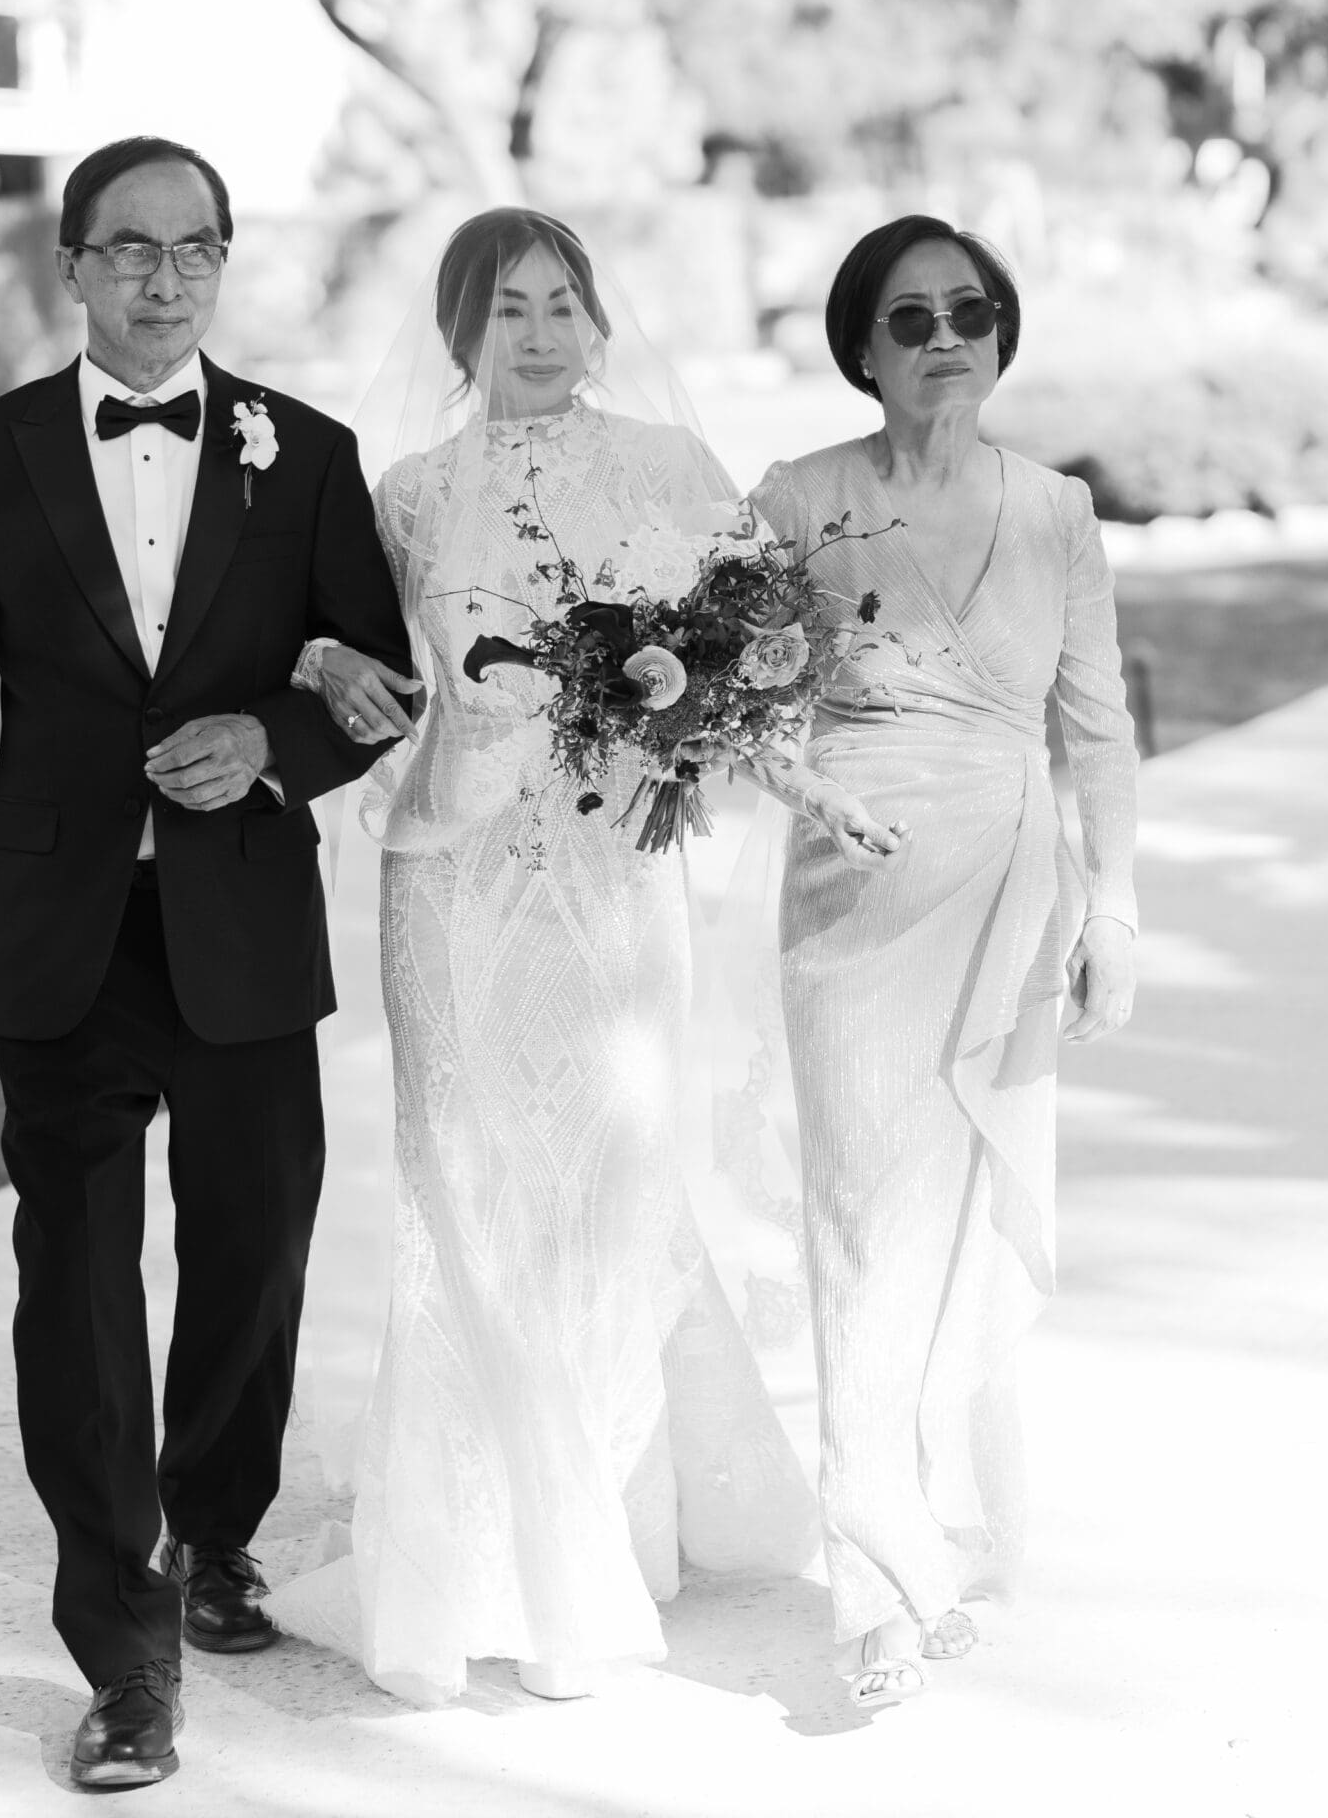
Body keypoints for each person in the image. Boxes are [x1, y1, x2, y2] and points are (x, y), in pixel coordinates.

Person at [270, 209, 880, 1706]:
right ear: (458, 332)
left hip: (615, 879)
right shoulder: (408, 493)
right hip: (454, 876)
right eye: (505, 309)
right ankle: (474, 1559)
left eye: (560, 303)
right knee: (467, 1187)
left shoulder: (672, 471)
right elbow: (343, 660)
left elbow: (761, 660)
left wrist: (726, 726)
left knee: (604, 1190)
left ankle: (590, 1538)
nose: (537, 333)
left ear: (598, 318)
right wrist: (364, 684)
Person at [0, 136, 413, 1789]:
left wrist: (264, 743)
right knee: (80, 1300)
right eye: (129, 249)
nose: (163, 276)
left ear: (225, 262)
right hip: (56, 945)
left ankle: (221, 1531)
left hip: (242, 931)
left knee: (254, 1262)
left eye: (193, 249)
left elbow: (376, 684)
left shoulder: (306, 454)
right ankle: (121, 1652)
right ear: (75, 267)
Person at [748, 215, 1140, 1709]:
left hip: (1012, 896)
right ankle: (874, 1589)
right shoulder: (795, 499)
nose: (945, 339)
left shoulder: (1055, 511)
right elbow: (722, 701)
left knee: (957, 1219)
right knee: (861, 1216)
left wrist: (1117, 911)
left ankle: (914, 1514)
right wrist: (804, 785)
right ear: (862, 346)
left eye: (970, 311)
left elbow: (1095, 728)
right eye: (909, 319)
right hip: (854, 896)